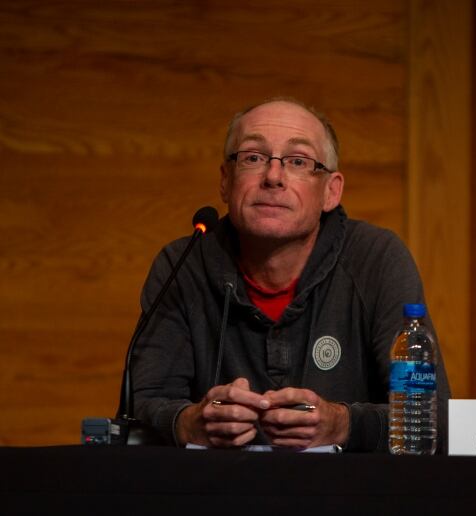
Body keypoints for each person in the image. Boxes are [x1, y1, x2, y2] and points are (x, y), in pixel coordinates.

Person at [130, 98, 450, 452]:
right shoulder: (183, 262)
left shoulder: (377, 259)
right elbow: (140, 407)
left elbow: (431, 417)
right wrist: (190, 422)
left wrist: (343, 424)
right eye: (253, 157)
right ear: (225, 180)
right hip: (215, 497)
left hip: (347, 499)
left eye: (298, 161)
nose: (273, 177)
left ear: (331, 191)